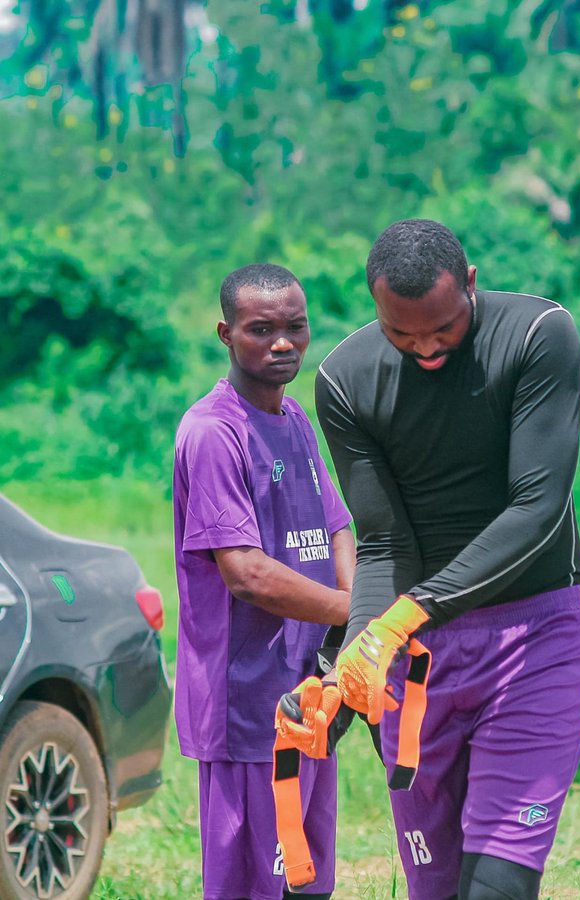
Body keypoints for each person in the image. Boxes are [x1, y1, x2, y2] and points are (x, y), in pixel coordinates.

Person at [282, 220, 580, 899]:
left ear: (471, 285)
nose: (426, 348)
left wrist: (407, 614)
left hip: (535, 640)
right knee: (439, 888)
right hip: (420, 664)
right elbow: (385, 542)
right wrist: (348, 673)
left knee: (497, 885)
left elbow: (536, 508)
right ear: (376, 307)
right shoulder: (346, 380)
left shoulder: (537, 335)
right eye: (403, 334)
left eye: (444, 329)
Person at [172, 263, 355, 900]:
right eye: (261, 329)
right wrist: (351, 612)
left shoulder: (296, 419)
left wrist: (353, 624)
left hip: (311, 693)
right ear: (226, 334)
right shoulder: (214, 432)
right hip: (248, 704)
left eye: (295, 327)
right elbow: (246, 574)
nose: (282, 343)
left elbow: (337, 527)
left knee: (309, 878)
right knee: (256, 884)